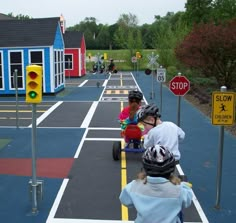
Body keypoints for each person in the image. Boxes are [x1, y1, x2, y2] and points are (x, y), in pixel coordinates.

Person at [119, 145, 193, 223]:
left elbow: (125, 201)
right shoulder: (179, 190)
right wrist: (184, 185)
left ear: (145, 168)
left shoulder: (134, 186)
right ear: (172, 168)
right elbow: (187, 202)